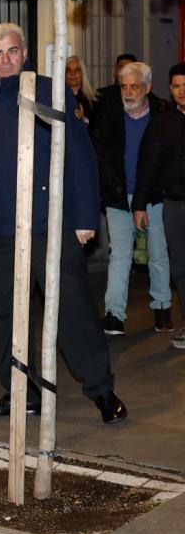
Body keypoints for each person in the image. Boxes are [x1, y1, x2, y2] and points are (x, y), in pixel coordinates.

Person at [0, 22, 127, 424]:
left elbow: (81, 157)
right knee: (9, 313)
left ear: (24, 52)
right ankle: (21, 391)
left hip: (51, 222)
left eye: (12, 51)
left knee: (72, 307)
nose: (5, 60)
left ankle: (101, 389)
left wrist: (84, 218)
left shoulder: (50, 92)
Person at [92, 61, 171, 336]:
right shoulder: (110, 114)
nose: (128, 92)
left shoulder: (162, 115)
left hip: (154, 197)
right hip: (118, 196)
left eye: (134, 86)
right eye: (124, 86)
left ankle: (162, 308)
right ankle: (114, 314)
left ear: (147, 87)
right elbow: (101, 153)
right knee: (120, 256)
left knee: (158, 253)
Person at [136, 63, 185, 349]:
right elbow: (148, 165)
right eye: (177, 86)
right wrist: (139, 204)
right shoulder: (162, 122)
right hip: (175, 205)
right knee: (179, 267)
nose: (181, 91)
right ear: (170, 88)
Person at [67, 55, 100, 125]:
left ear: (83, 74)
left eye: (77, 70)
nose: (72, 74)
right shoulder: (58, 100)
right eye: (68, 70)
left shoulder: (95, 101)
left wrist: (84, 120)